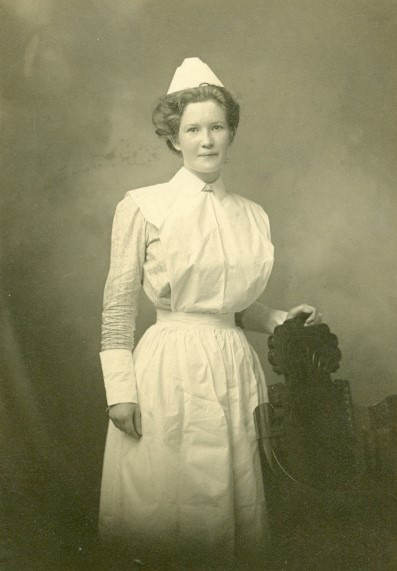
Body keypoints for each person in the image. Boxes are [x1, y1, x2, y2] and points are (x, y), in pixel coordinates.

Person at [99, 57, 321, 569]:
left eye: (216, 127)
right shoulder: (143, 206)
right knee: (168, 503)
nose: (206, 140)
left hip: (232, 368)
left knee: (230, 502)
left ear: (230, 133)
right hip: (167, 368)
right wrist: (119, 392)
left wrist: (280, 318)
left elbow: (231, 306)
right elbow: (117, 307)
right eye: (192, 128)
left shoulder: (250, 214)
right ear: (173, 137)